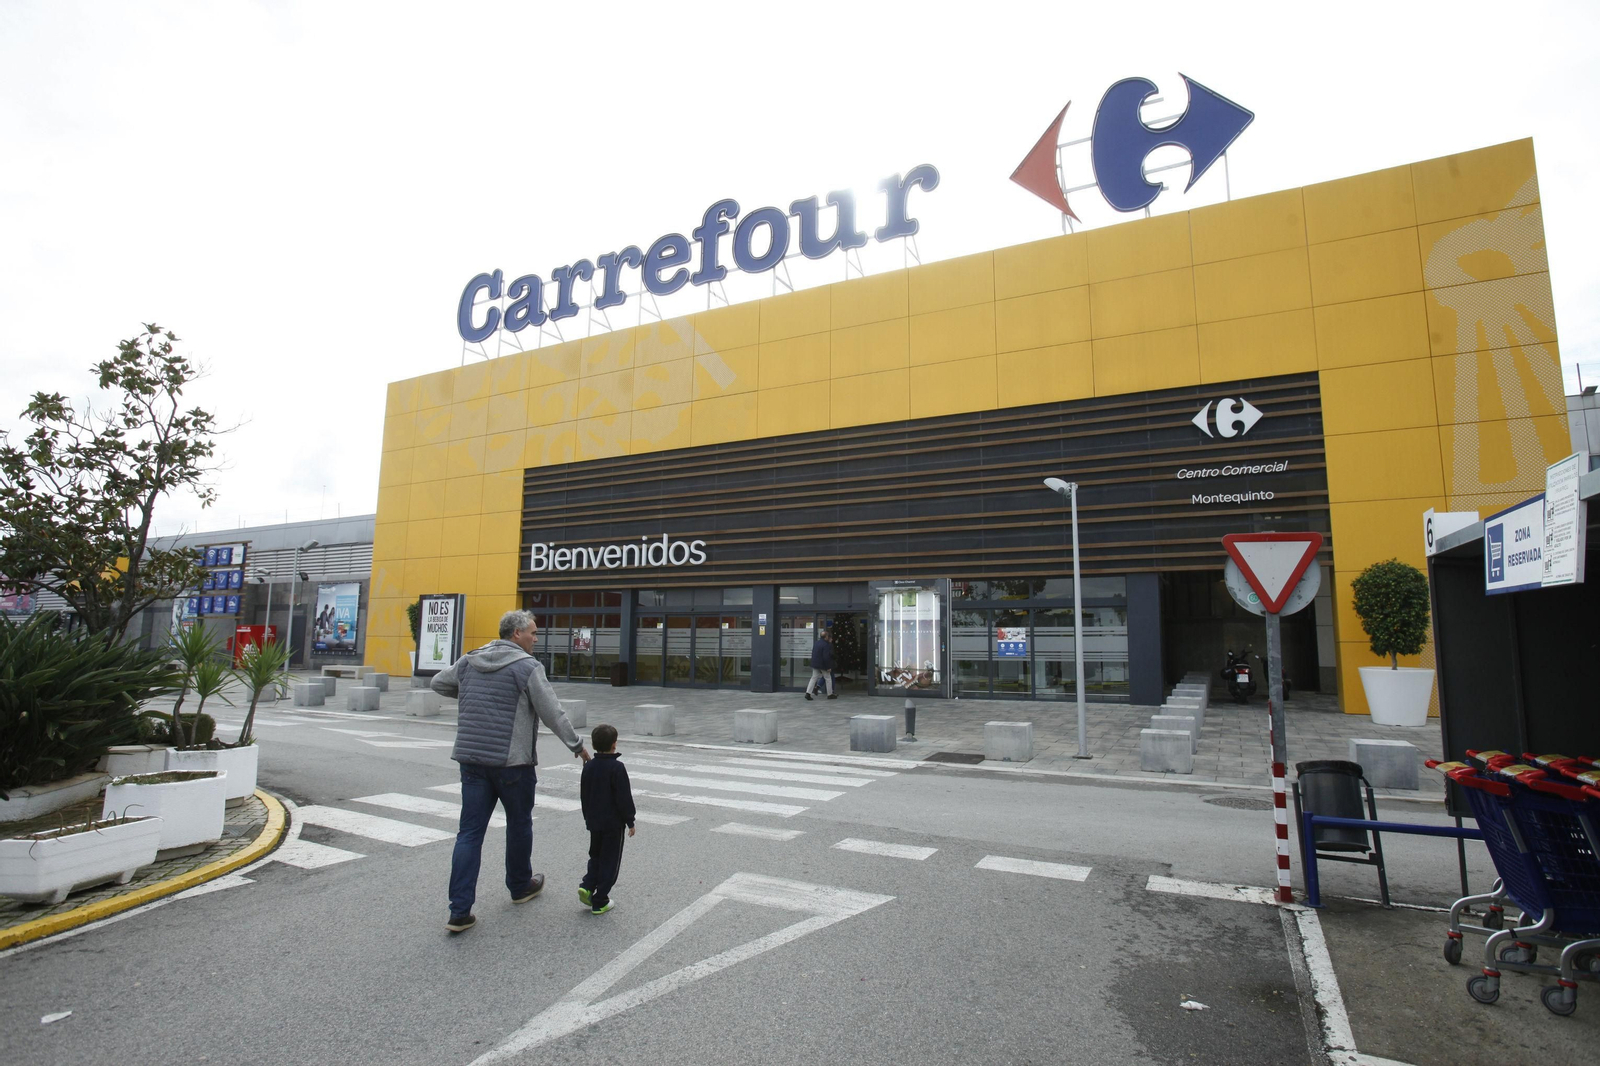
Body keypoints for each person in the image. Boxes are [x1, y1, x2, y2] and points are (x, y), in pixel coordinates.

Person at [431, 609, 589, 934]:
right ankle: (519, 887)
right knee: (518, 823)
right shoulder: (527, 667)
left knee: (469, 833)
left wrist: (473, 693)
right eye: (532, 632)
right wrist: (577, 746)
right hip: (512, 764)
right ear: (516, 634)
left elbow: (438, 682)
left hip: (472, 760)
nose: (535, 637)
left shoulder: (469, 661)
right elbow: (551, 712)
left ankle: (459, 911)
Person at [578, 723, 635, 916]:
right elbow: (623, 797)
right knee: (610, 860)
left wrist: (587, 817)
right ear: (614, 744)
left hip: (594, 821)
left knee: (596, 855)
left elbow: (584, 795)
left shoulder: (589, 767)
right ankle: (600, 899)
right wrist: (630, 820)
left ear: (593, 745)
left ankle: (587, 885)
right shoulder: (617, 768)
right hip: (612, 824)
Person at [804, 627, 836, 700]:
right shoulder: (826, 645)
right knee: (828, 678)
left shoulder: (817, 643)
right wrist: (828, 666)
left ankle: (808, 693)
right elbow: (826, 657)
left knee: (813, 678)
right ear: (826, 637)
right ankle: (830, 694)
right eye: (828, 636)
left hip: (815, 664)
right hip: (823, 665)